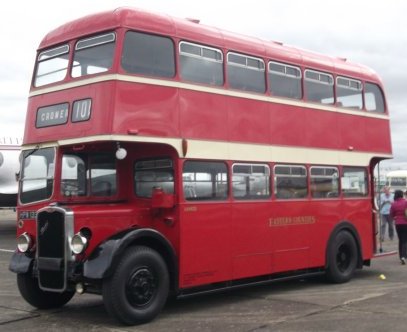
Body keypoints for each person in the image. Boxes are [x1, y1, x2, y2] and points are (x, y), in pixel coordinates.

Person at [390, 190, 407, 264]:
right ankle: (404, 256)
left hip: (397, 224)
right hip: (405, 223)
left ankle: (401, 257)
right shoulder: (405, 202)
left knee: (400, 240)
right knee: (405, 240)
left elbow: (391, 214)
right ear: (402, 195)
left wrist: (395, 217)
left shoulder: (393, 204)